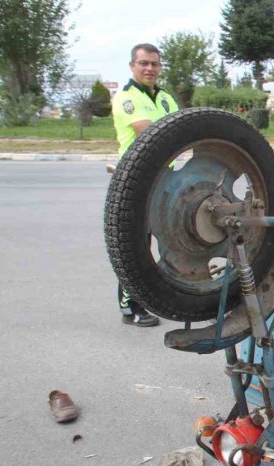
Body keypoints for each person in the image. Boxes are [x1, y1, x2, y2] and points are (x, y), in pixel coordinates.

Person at [111, 43, 179, 327]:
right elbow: (151, 132)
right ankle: (131, 306)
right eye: (144, 63)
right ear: (132, 66)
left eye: (154, 64)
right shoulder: (126, 98)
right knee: (136, 246)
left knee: (170, 239)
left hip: (166, 178)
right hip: (137, 180)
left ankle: (167, 298)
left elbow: (181, 128)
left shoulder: (165, 98)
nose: (150, 68)